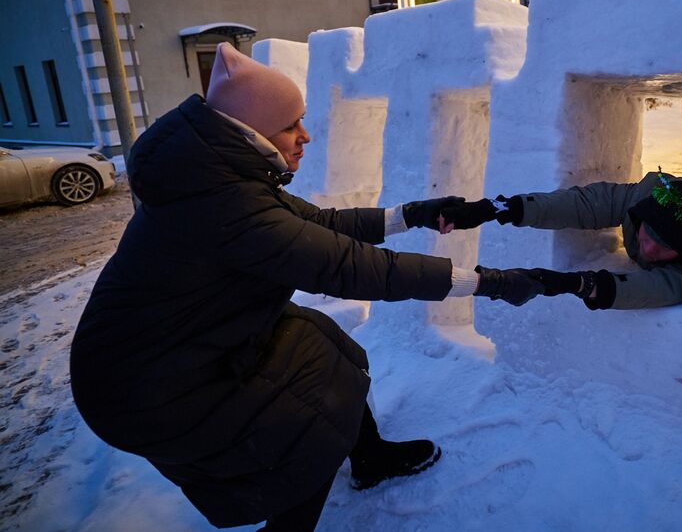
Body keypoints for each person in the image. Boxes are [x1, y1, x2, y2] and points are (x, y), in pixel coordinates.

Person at [69, 42, 542, 531]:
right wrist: (488, 282)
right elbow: (351, 266)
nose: (306, 136)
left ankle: (369, 456)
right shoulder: (226, 206)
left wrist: (415, 214)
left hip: (183, 346)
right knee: (309, 422)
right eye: (290, 125)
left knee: (320, 340)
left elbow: (322, 224)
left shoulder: (218, 177)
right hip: (145, 386)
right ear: (253, 133)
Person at [440, 170, 682, 310]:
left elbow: (657, 288)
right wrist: (497, 209)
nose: (650, 247)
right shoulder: (645, 200)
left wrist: (575, 284)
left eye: (666, 246)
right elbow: (585, 205)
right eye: (649, 233)